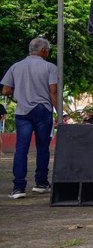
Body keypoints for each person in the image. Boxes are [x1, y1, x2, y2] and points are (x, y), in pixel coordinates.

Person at [1, 38, 58, 199]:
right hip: (43, 110)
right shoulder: (50, 67)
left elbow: (5, 90)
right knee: (42, 147)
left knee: (21, 148)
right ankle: (41, 182)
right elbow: (53, 91)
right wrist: (59, 112)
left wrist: (20, 92)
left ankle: (18, 187)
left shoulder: (16, 66)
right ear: (43, 51)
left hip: (23, 111)